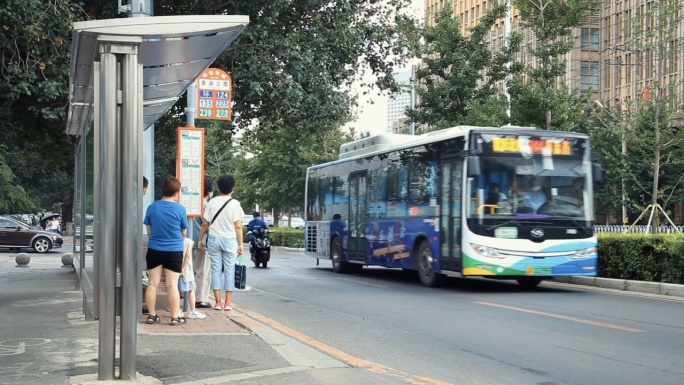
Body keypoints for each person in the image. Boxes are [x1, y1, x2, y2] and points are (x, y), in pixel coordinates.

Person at [143, 176, 189, 325]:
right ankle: (175, 317)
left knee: (152, 284)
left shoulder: (152, 207)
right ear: (176, 192)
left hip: (155, 248)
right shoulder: (180, 209)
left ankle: (151, 315)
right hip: (174, 249)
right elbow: (184, 232)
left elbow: (149, 230)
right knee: (172, 285)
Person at [198, 175, 245, 311]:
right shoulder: (235, 203)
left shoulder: (212, 202)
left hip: (213, 238)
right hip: (230, 239)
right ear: (233, 188)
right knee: (229, 271)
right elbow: (238, 226)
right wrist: (240, 243)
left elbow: (205, 223)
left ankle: (218, 302)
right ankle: (228, 303)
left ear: (219, 188)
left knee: (215, 270)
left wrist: (201, 239)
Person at [194, 178, 214, 309]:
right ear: (209, 192)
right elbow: (208, 225)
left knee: (192, 269)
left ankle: (190, 295)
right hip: (202, 243)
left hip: (190, 240)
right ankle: (200, 299)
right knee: (203, 270)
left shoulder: (192, 203)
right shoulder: (205, 205)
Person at [179, 236, 207, 319]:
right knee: (191, 290)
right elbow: (188, 256)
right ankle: (192, 311)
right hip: (187, 270)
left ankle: (177, 310)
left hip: (175, 269)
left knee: (176, 290)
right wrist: (183, 268)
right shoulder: (188, 241)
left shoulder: (172, 240)